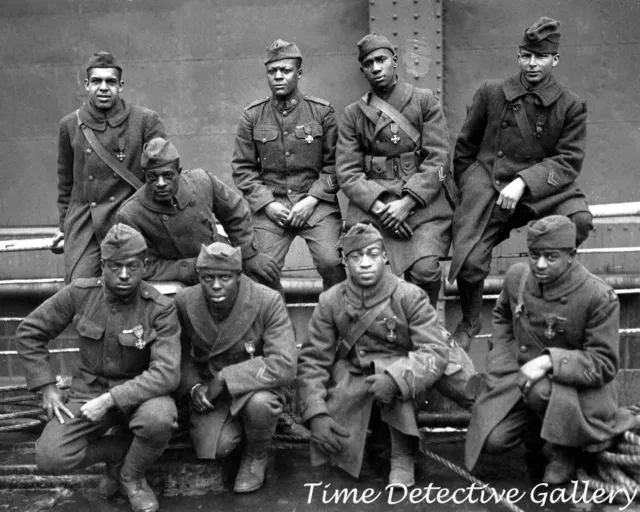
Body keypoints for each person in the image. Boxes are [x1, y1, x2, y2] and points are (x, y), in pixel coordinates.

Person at [449, 17, 593, 350]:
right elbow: (465, 148)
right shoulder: (491, 93)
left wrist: (523, 183)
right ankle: (470, 321)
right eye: (526, 55)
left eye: (540, 57)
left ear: (554, 60)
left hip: (542, 190)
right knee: (469, 261)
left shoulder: (570, 106)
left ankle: (544, 298)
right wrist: (472, 188)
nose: (531, 64)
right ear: (518, 56)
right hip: (490, 186)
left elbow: (568, 161)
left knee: (579, 221)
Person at [17, 224, 181, 512]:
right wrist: (47, 387)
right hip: (87, 393)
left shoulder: (159, 307)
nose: (124, 275)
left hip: (139, 396)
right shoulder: (80, 294)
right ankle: (119, 454)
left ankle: (132, 476)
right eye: (115, 267)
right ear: (103, 265)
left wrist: (110, 400)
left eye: (132, 266)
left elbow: (166, 374)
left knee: (159, 418)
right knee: (50, 457)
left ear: (144, 266)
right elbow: (30, 332)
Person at [465, 215, 636, 484]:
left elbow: (603, 364)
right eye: (534, 255)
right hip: (520, 377)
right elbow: (501, 316)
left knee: (540, 390)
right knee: (493, 440)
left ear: (572, 255)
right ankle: (540, 437)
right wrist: (501, 360)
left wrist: (548, 362)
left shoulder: (598, 296)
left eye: (551, 257)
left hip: (578, 390)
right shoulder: (517, 278)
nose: (540, 264)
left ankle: (564, 449)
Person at [296, 223, 458, 487]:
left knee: (395, 371)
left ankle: (402, 456)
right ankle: (370, 442)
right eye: (356, 257)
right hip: (356, 378)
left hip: (404, 380)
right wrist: (315, 414)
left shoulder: (409, 295)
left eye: (372, 254)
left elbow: (434, 351)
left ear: (384, 257)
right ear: (345, 262)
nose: (364, 263)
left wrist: (396, 380)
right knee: (339, 454)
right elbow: (313, 360)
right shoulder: (331, 300)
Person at [336, 34, 454, 309]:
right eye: (369, 63)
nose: (376, 67)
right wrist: (384, 206)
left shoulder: (424, 101)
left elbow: (438, 159)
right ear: (362, 70)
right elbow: (347, 171)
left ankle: (425, 326)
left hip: (422, 205)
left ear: (394, 61)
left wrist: (408, 202)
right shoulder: (353, 114)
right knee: (369, 274)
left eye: (381, 60)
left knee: (425, 271)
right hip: (375, 206)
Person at [175, 242, 297, 493]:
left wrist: (225, 378)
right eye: (208, 278)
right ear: (199, 276)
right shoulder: (185, 301)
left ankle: (257, 454)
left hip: (258, 387)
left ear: (239, 276)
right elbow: (176, 354)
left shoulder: (266, 300)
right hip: (212, 394)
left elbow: (284, 364)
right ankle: (244, 429)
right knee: (216, 448)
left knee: (260, 405)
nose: (216, 285)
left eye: (225, 277)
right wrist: (193, 386)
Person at [231, 39, 346, 292]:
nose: (278, 76)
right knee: (260, 268)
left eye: (286, 70)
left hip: (316, 205)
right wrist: (268, 204)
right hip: (272, 206)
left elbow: (335, 165)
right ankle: (277, 324)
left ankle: (336, 323)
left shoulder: (322, 113)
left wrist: (312, 199)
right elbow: (243, 169)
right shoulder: (252, 116)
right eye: (272, 71)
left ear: (299, 73)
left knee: (332, 262)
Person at [52, 51, 168, 283]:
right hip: (86, 224)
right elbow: (66, 183)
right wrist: (65, 227)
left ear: (120, 86)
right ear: (86, 84)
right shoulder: (70, 125)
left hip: (130, 220)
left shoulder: (145, 120)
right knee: (79, 287)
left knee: (131, 284)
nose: (103, 87)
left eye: (110, 82)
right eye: (96, 81)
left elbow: (165, 172)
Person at [117, 137, 280, 287]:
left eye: (167, 176)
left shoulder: (202, 181)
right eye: (153, 177)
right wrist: (194, 266)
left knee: (266, 278)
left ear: (179, 172)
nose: (161, 183)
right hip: (180, 279)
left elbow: (235, 212)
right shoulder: (131, 214)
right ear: (145, 176)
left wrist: (248, 254)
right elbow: (146, 266)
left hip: (220, 259)